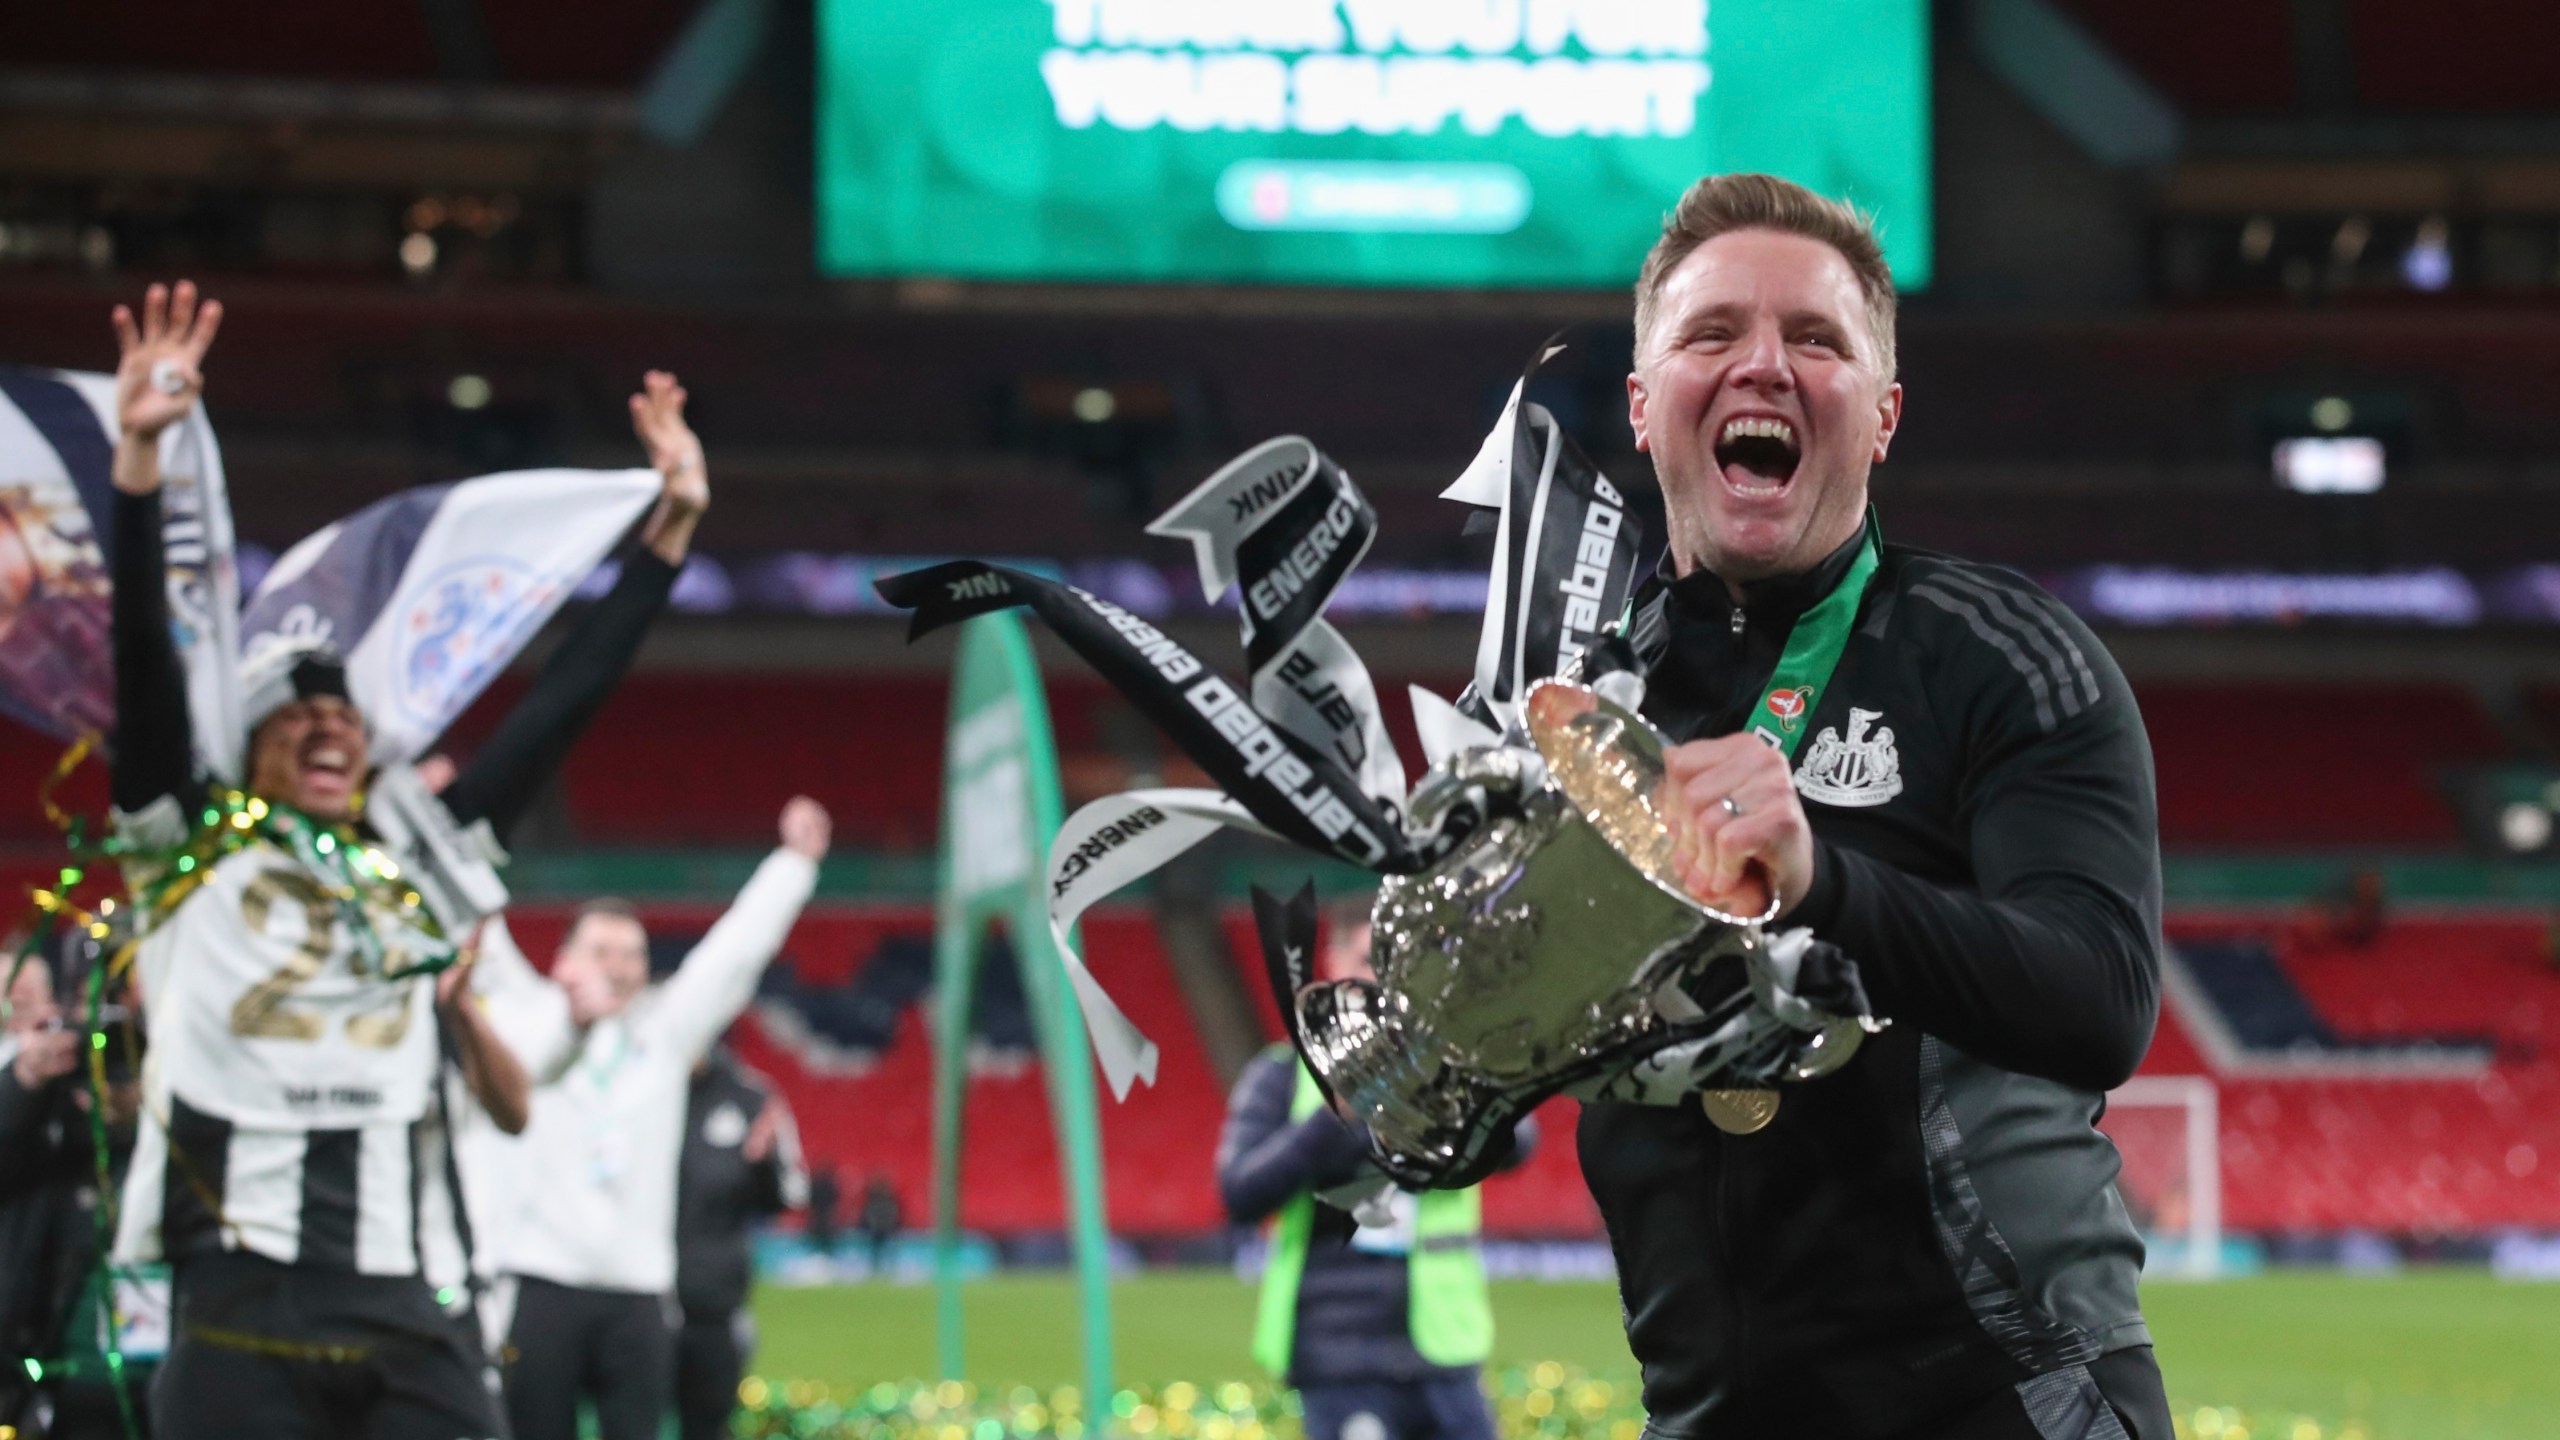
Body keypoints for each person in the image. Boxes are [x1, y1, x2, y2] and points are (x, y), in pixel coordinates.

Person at [1575, 174, 2169, 1440]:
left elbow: (2102, 997)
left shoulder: (2000, 656)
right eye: (1711, 332)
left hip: (2012, 1397)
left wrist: (1821, 885)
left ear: (1883, 413)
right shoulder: (1590, 711)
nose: (1762, 366)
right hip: (1707, 1413)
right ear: (1642, 402)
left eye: (1816, 339)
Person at [103, 279, 712, 1440]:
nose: (328, 730)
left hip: (400, 1301)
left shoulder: (407, 864)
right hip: (236, 1298)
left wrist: (666, 540)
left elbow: (552, 718)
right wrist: (141, 469)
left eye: (344, 718)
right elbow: (142, 671)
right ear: (245, 744)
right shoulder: (185, 850)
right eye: (296, 717)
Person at [497, 797, 829, 1440]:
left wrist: (794, 865)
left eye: (631, 955)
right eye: (600, 951)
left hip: (639, 1291)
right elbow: (475, 941)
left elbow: (736, 951)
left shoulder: (666, 1036)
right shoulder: (529, 1023)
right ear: (563, 960)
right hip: (542, 1283)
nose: (617, 967)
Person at [1217, 897, 1530, 1440]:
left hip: (1444, 1346)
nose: (1383, 982)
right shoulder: (1283, 1076)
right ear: (1332, 964)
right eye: (1368, 961)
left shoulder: (1454, 1066)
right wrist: (1334, 1115)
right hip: (1339, 1352)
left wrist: (1453, 1093)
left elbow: (1519, 1145)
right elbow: (1239, 1194)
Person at [671, 1042, 807, 1440]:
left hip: (713, 1306)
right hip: (635, 1301)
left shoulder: (749, 1096)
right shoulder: (636, 1087)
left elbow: (789, 1193)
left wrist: (764, 1165)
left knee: (709, 1426)